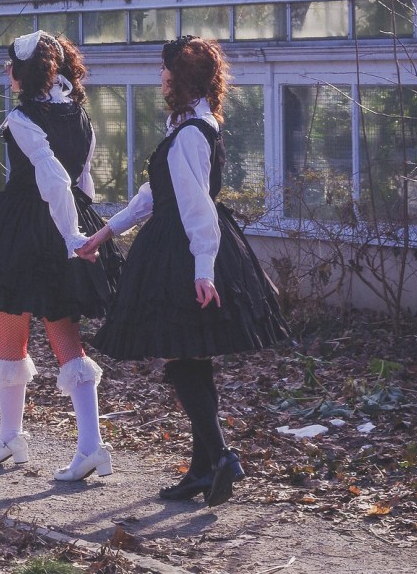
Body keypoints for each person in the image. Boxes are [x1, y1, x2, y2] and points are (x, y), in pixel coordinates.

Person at [78, 35, 289, 507]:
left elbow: (197, 208)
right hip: (183, 246)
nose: (160, 77)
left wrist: (204, 270)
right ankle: (203, 467)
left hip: (184, 252)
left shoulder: (192, 133)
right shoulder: (196, 124)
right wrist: (105, 232)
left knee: (183, 354)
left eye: (165, 70)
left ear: (180, 78)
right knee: (192, 356)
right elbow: (156, 194)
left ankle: (219, 459)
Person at [0, 30, 121, 482]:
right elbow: (83, 182)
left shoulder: (23, 117)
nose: (7, 72)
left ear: (24, 71)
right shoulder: (80, 115)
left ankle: (91, 446)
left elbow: (56, 179)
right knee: (15, 326)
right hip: (56, 226)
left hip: (33, 232)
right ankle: (12, 437)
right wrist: (79, 229)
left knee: (57, 333)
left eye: (10, 65)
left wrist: (71, 238)